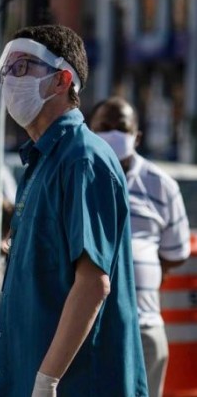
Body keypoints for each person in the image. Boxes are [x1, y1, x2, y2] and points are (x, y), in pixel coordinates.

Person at [0, 24, 147, 395]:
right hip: (31, 376)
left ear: (61, 80)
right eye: (7, 70)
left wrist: (46, 380)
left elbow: (92, 283)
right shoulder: (42, 161)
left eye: (22, 68)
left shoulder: (83, 160)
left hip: (78, 383)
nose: (9, 80)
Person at [89, 97, 191, 397]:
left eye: (122, 127)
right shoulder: (79, 177)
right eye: (104, 127)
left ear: (137, 135)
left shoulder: (161, 185)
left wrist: (138, 275)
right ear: (89, 130)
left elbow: (174, 254)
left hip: (143, 327)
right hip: (86, 328)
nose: (113, 134)